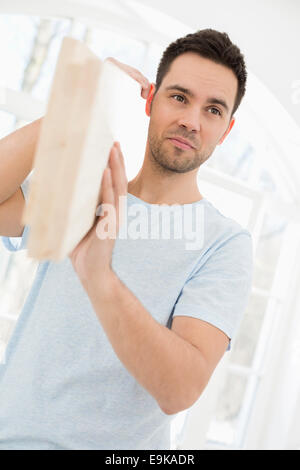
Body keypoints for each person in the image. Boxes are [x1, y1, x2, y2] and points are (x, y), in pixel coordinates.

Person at [0, 28, 253, 450]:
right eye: (179, 97)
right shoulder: (84, 187)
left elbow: (180, 390)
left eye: (213, 110)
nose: (191, 120)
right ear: (150, 99)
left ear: (225, 129)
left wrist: (98, 277)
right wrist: (76, 105)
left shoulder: (224, 243)